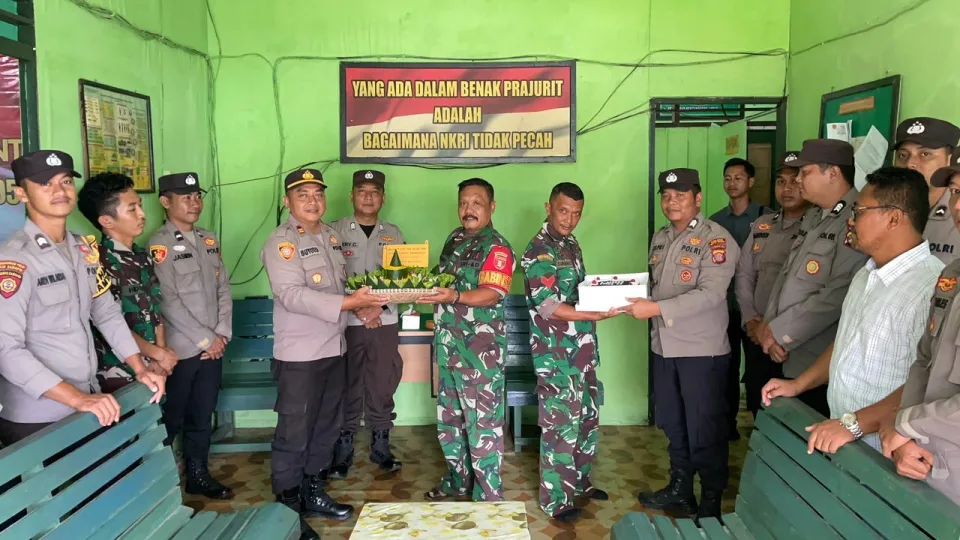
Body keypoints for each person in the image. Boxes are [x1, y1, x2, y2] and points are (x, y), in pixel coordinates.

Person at [761, 167, 943, 454]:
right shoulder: (866, 274)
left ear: (894, 218)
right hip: (846, 436)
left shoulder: (932, 288)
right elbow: (846, 343)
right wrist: (799, 384)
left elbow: (929, 382)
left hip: (889, 450)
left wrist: (854, 425)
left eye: (859, 211)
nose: (850, 220)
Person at [0, 150, 164, 446]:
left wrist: (140, 368)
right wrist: (77, 399)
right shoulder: (14, 260)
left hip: (86, 400)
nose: (59, 190)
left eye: (65, 181)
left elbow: (106, 313)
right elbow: (6, 349)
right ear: (21, 194)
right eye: (45, 183)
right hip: (38, 416)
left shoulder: (82, 249)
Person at [260, 168, 388, 540]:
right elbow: (291, 295)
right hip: (300, 355)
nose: (313, 201)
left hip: (334, 347)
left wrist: (362, 309)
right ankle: (287, 510)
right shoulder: (281, 242)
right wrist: (351, 303)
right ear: (287, 201)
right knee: (294, 432)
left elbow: (339, 287)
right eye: (303, 195)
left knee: (326, 428)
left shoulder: (331, 236)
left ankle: (313, 492)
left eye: (318, 194)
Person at [622, 168, 738, 521]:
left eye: (680, 195)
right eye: (667, 195)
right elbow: (655, 287)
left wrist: (655, 309)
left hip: (701, 352)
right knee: (673, 424)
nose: (671, 202)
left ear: (698, 198)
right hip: (664, 348)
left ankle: (711, 500)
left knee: (705, 429)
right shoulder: (660, 238)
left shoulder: (716, 239)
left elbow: (712, 294)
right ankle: (680, 490)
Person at [521, 182, 618, 522]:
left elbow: (578, 290)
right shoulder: (539, 250)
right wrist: (593, 313)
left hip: (582, 351)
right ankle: (556, 500)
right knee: (560, 426)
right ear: (548, 207)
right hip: (556, 356)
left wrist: (606, 294)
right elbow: (547, 305)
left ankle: (580, 482)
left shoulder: (570, 243)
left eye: (577, 213)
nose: (570, 219)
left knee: (587, 420)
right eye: (563, 211)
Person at [418, 178, 516, 503]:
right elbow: (441, 279)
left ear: (491, 207)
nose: (468, 209)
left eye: (476, 203)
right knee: (450, 423)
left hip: (479, 355)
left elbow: (492, 293)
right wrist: (415, 287)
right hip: (448, 348)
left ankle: (487, 496)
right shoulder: (455, 239)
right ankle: (458, 481)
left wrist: (455, 296)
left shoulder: (497, 247)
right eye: (463, 203)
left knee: (482, 427)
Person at [757, 139, 869, 417]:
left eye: (805, 172)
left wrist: (781, 332)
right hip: (786, 350)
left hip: (817, 360)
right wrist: (769, 325)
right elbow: (786, 275)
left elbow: (838, 293)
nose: (797, 179)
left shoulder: (856, 219)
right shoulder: (814, 216)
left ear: (832, 173)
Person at [879, 149, 960, 505]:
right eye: (955, 192)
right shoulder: (951, 275)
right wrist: (907, 438)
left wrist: (906, 424)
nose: (958, 205)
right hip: (926, 464)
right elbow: (924, 360)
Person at [148, 172, 232, 500]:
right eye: (186, 197)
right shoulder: (159, 245)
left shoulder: (208, 239)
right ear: (165, 202)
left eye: (198, 196)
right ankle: (159, 488)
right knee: (172, 418)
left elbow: (223, 288)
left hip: (213, 348)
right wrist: (205, 339)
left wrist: (221, 334)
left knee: (202, 413)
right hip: (181, 350)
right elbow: (167, 301)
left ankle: (198, 475)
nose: (195, 203)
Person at [329, 169, 405, 479]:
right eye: (362, 191)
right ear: (352, 195)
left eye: (375, 192)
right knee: (346, 381)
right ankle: (343, 446)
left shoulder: (394, 234)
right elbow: (331, 279)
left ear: (383, 197)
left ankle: (380, 444)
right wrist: (361, 308)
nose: (368, 197)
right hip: (347, 320)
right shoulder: (333, 231)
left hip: (384, 320)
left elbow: (402, 280)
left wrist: (379, 307)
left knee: (383, 381)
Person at [77, 172, 178, 393]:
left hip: (155, 369)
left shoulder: (142, 256)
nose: (142, 214)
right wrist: (158, 355)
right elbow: (108, 322)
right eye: (132, 209)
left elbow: (155, 309)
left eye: (140, 205)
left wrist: (160, 356)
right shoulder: (97, 262)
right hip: (119, 373)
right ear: (106, 220)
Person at [735, 151, 809, 417]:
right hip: (757, 334)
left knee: (793, 414)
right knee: (759, 402)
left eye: (794, 181)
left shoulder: (816, 227)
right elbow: (744, 274)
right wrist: (751, 321)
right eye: (781, 182)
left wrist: (777, 331)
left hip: (795, 342)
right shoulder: (763, 225)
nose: (787, 189)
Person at [710, 158, 769, 438]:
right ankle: (727, 425)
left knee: (759, 369)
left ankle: (762, 427)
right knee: (726, 368)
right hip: (724, 307)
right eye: (727, 178)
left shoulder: (767, 219)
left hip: (757, 310)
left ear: (751, 181)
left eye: (738, 178)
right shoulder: (715, 222)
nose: (732, 183)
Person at [892, 117, 960, 264]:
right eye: (903, 155)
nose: (910, 164)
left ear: (950, 160)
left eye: (925, 154)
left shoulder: (957, 214)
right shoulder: (886, 212)